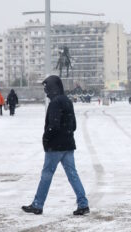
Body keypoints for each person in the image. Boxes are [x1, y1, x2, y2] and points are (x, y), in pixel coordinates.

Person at [22, 75, 89, 216]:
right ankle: (83, 204)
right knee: (73, 175)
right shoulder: (67, 101)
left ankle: (37, 204)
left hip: (55, 147)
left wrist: (46, 139)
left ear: (52, 88)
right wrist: (66, 134)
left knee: (46, 175)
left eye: (46, 88)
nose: (45, 91)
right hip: (68, 145)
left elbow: (53, 126)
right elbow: (74, 125)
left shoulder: (55, 103)